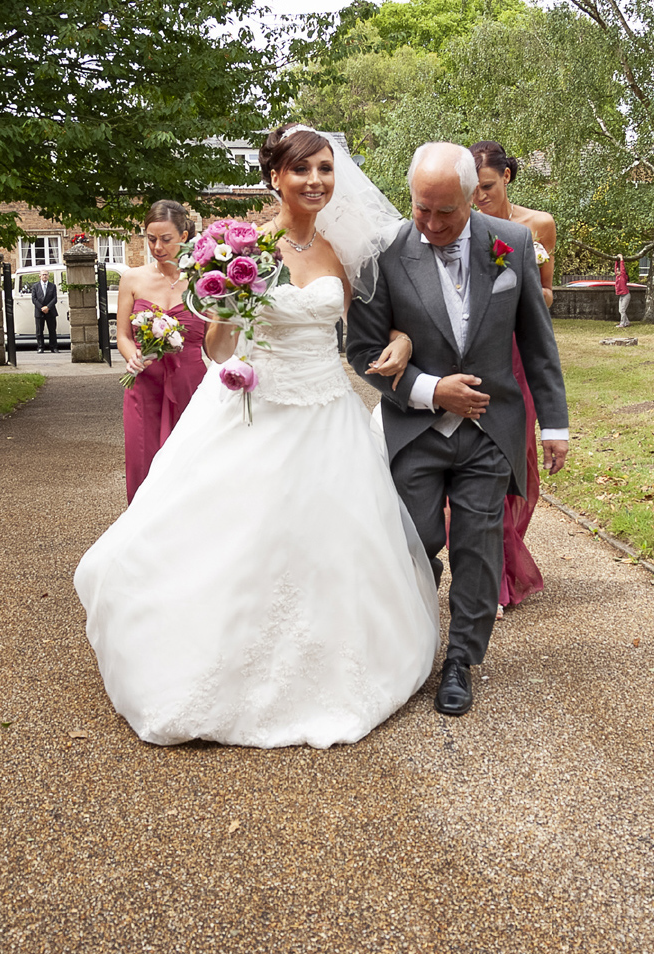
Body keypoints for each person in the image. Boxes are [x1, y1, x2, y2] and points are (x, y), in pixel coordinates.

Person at [74, 124, 438, 749]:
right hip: (257, 404)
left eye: (325, 169)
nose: (317, 181)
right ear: (276, 177)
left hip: (327, 409)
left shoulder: (340, 253)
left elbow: (367, 333)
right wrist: (227, 307)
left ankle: (334, 660)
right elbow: (218, 351)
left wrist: (402, 340)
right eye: (303, 170)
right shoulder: (238, 250)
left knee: (331, 537)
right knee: (241, 532)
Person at [347, 142, 569, 718]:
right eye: (422, 208)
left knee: (478, 544)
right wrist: (428, 389)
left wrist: (556, 425)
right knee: (415, 540)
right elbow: (364, 348)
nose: (433, 223)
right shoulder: (386, 251)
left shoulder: (513, 244)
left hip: (491, 429)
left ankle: (460, 661)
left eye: (446, 211)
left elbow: (536, 342)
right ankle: (415, 629)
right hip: (416, 431)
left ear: (475, 195)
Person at [470, 139, 554, 617]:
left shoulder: (537, 226)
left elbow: (547, 296)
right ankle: (494, 575)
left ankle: (502, 556)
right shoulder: (462, 226)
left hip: (518, 352)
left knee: (516, 458)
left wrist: (516, 288)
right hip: (478, 354)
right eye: (472, 188)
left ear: (507, 178)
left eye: (485, 187)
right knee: (485, 456)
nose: (478, 197)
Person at [117, 200, 208, 503]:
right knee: (142, 464)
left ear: (184, 236)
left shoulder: (204, 281)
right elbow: (123, 336)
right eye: (150, 238)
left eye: (165, 239)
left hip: (191, 386)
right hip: (144, 385)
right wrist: (132, 357)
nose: (157, 247)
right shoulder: (132, 279)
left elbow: (215, 346)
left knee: (191, 466)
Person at [30, 269, 58, 352]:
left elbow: (55, 298)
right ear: (40, 276)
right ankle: (40, 347)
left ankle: (54, 347)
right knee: (39, 331)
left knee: (52, 330)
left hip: (51, 311)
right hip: (39, 311)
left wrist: (48, 307)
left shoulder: (52, 286)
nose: (44, 276)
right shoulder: (35, 286)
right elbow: (34, 299)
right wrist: (41, 307)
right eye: (43, 275)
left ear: (48, 276)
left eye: (46, 274)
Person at [614, 254, 631, 327]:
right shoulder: (617, 276)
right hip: (621, 295)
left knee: (622, 310)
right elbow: (615, 269)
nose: (617, 272)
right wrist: (616, 260)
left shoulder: (623, 276)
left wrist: (621, 259)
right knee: (620, 310)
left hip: (626, 295)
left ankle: (622, 323)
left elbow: (622, 268)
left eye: (618, 271)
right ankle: (627, 322)